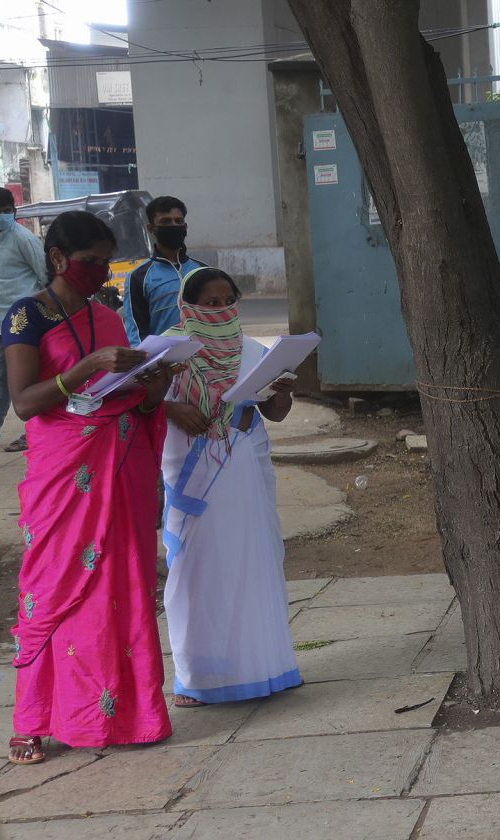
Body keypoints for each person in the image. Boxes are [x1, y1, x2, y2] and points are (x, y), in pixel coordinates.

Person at [4, 211, 178, 764]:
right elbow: (25, 401)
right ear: (57, 259)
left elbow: (120, 392)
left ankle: (129, 713)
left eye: (106, 261)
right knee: (51, 585)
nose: (101, 271)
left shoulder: (107, 315)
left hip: (117, 459)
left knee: (120, 585)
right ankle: (31, 721)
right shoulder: (24, 316)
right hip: (62, 470)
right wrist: (84, 371)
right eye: (91, 262)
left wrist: (152, 391)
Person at [160, 267, 301, 707]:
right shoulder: (170, 349)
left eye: (228, 302)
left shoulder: (252, 349)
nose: (221, 310)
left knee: (254, 557)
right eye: (211, 303)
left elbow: (273, 413)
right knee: (196, 569)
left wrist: (280, 393)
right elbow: (137, 400)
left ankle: (266, 666)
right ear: (190, 305)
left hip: (243, 461)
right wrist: (172, 410)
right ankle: (198, 676)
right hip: (194, 468)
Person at [0, 188, 48, 452]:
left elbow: (44, 275)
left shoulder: (24, 239)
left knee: (28, 378)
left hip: (22, 320)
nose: (4, 216)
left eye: (8, 211)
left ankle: (32, 434)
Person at [122, 195, 205, 346]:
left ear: (185, 227)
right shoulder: (138, 277)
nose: (173, 226)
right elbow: (136, 333)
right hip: (165, 365)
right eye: (165, 221)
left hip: (203, 362)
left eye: (178, 221)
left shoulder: (203, 271)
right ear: (151, 228)